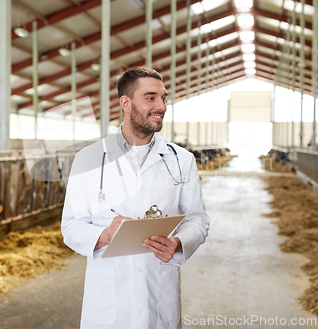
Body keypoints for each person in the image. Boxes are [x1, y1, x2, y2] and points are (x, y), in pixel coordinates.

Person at [61, 66, 210, 329]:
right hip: (108, 304)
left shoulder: (181, 159)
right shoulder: (89, 159)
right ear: (126, 103)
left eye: (164, 98)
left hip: (159, 294)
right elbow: (71, 226)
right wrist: (106, 234)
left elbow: (197, 219)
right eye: (151, 98)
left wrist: (178, 243)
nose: (162, 106)